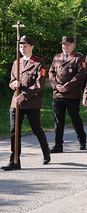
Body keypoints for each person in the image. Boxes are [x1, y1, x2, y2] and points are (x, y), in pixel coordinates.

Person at [2, 36, 50, 171]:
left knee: (36, 129)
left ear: (32, 47)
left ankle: (46, 153)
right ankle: (14, 161)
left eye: (25, 46)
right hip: (16, 102)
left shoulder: (39, 63)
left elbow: (39, 85)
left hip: (31, 102)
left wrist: (24, 95)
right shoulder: (16, 62)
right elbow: (11, 81)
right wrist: (13, 84)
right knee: (14, 132)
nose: (22, 49)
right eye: (21, 46)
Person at [49, 36, 87, 153]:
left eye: (68, 45)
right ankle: (58, 144)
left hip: (72, 94)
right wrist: (56, 85)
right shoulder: (57, 57)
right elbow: (51, 73)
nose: (65, 47)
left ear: (73, 46)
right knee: (58, 120)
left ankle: (82, 139)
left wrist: (67, 86)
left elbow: (81, 74)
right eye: (64, 44)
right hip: (58, 94)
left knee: (75, 118)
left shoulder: (78, 57)